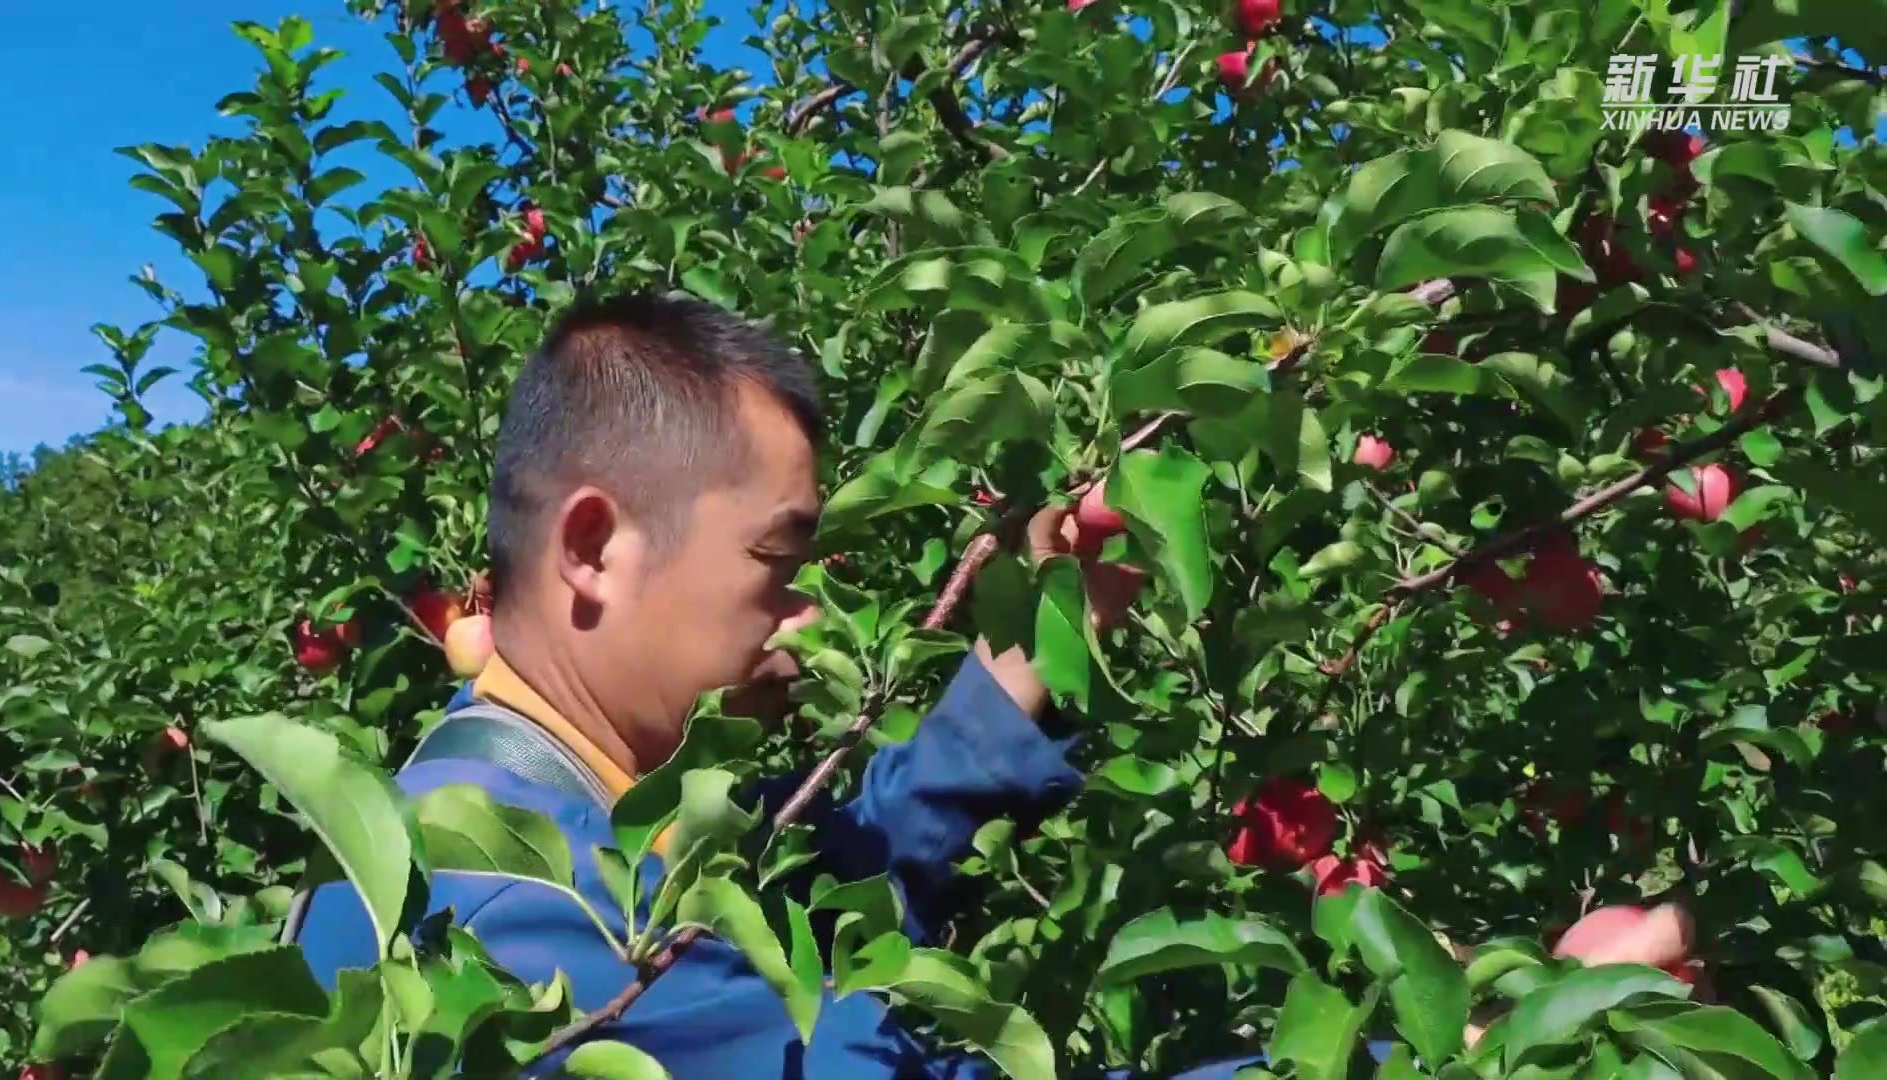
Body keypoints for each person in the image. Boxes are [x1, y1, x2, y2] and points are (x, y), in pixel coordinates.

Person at [292, 294, 1692, 1077]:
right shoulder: (497, 916)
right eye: (780, 562)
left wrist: (1054, 622)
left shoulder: (632, 798)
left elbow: (855, 856)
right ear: (595, 548)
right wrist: (1489, 1052)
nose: (811, 610)